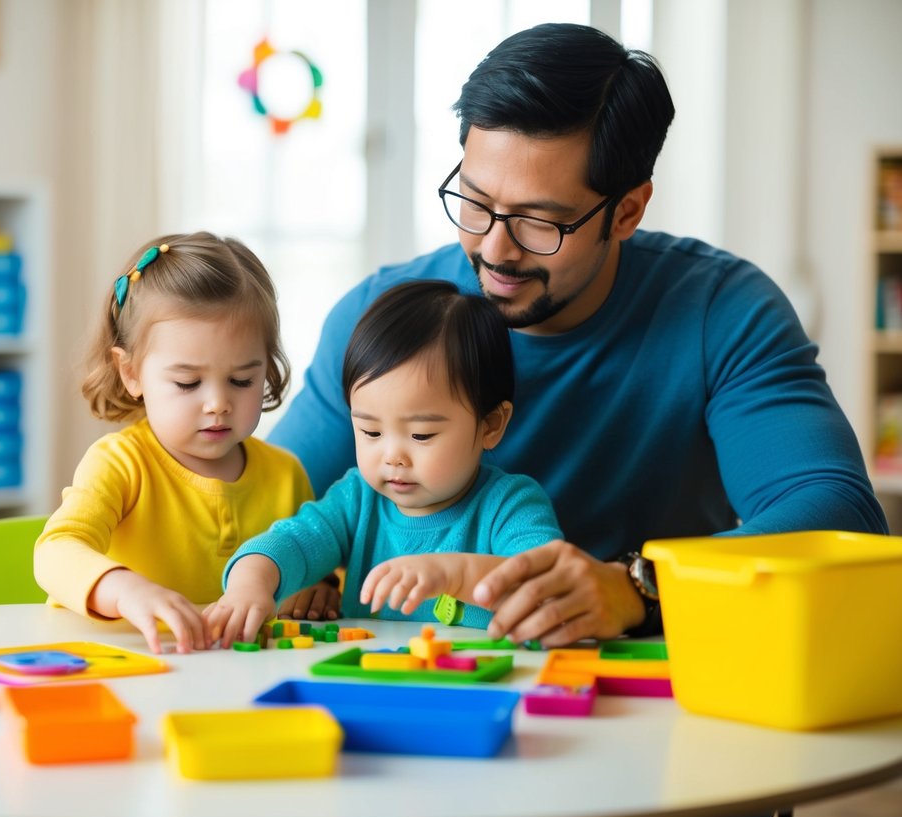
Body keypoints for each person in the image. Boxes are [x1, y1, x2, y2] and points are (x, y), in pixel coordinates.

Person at [268, 22, 887, 648]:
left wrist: (638, 586)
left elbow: (840, 515)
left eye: (540, 221)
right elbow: (262, 500)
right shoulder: (384, 319)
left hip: (654, 686)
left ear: (627, 211)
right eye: (475, 202)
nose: (493, 248)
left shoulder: (721, 312)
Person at [204, 280, 562, 647]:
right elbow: (292, 542)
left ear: (490, 425)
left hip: (480, 687)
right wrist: (250, 585)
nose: (392, 456)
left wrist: (455, 574)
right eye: (371, 432)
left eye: (421, 435)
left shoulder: (511, 505)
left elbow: (548, 589)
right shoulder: (357, 499)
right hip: (367, 681)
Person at [35, 231, 314, 654]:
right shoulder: (120, 463)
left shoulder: (285, 474)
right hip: (126, 666)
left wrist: (321, 588)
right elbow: (55, 552)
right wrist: (125, 590)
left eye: (242, 380)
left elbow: (317, 561)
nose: (218, 403)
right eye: (188, 383)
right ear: (130, 373)